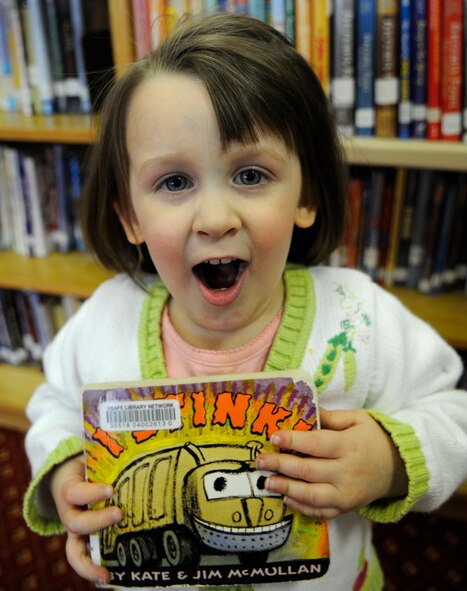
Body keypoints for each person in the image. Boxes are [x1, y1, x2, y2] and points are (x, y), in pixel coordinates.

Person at [23, 12, 467, 591]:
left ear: (305, 195)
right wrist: (62, 475)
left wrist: (388, 459)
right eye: (174, 183)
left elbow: (453, 412)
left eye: (251, 174)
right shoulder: (105, 319)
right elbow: (53, 404)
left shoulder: (359, 319)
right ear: (130, 215)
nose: (214, 219)